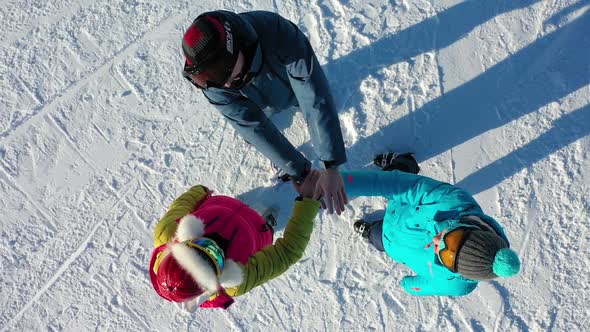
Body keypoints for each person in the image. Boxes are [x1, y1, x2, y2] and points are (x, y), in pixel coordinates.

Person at [181, 10, 348, 214]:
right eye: (210, 78)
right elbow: (251, 126)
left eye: (226, 74)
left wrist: (331, 165)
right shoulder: (213, 83)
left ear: (241, 45)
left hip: (285, 82)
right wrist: (298, 172)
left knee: (302, 99)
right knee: (252, 122)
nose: (223, 83)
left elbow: (313, 96)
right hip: (258, 95)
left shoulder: (277, 32)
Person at [346, 153, 521, 296]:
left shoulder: (456, 286)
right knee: (396, 175)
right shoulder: (452, 201)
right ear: (470, 228)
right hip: (400, 206)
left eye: (445, 257)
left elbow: (422, 286)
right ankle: (403, 162)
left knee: (377, 238)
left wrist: (408, 285)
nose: (438, 240)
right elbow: (397, 186)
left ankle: (369, 231)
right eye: (453, 237)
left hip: (391, 244)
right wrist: (341, 183)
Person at [149, 171, 321, 309]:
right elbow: (287, 253)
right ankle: (267, 225)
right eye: (217, 258)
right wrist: (307, 203)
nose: (215, 244)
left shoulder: (167, 233)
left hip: (223, 205)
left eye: (201, 243)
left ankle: (262, 223)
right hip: (255, 231)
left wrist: (198, 192)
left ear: (183, 242)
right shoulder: (238, 280)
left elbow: (181, 207)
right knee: (264, 230)